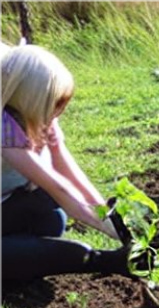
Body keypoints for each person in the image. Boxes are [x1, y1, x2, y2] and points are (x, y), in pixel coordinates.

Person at [1, 43, 132, 281]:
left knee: (52, 220)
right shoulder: (4, 129)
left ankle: (23, 254)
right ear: (31, 99)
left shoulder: (33, 110)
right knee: (12, 252)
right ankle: (101, 261)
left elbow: (63, 166)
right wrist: (108, 228)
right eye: (55, 105)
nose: (58, 114)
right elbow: (57, 187)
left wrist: (109, 215)